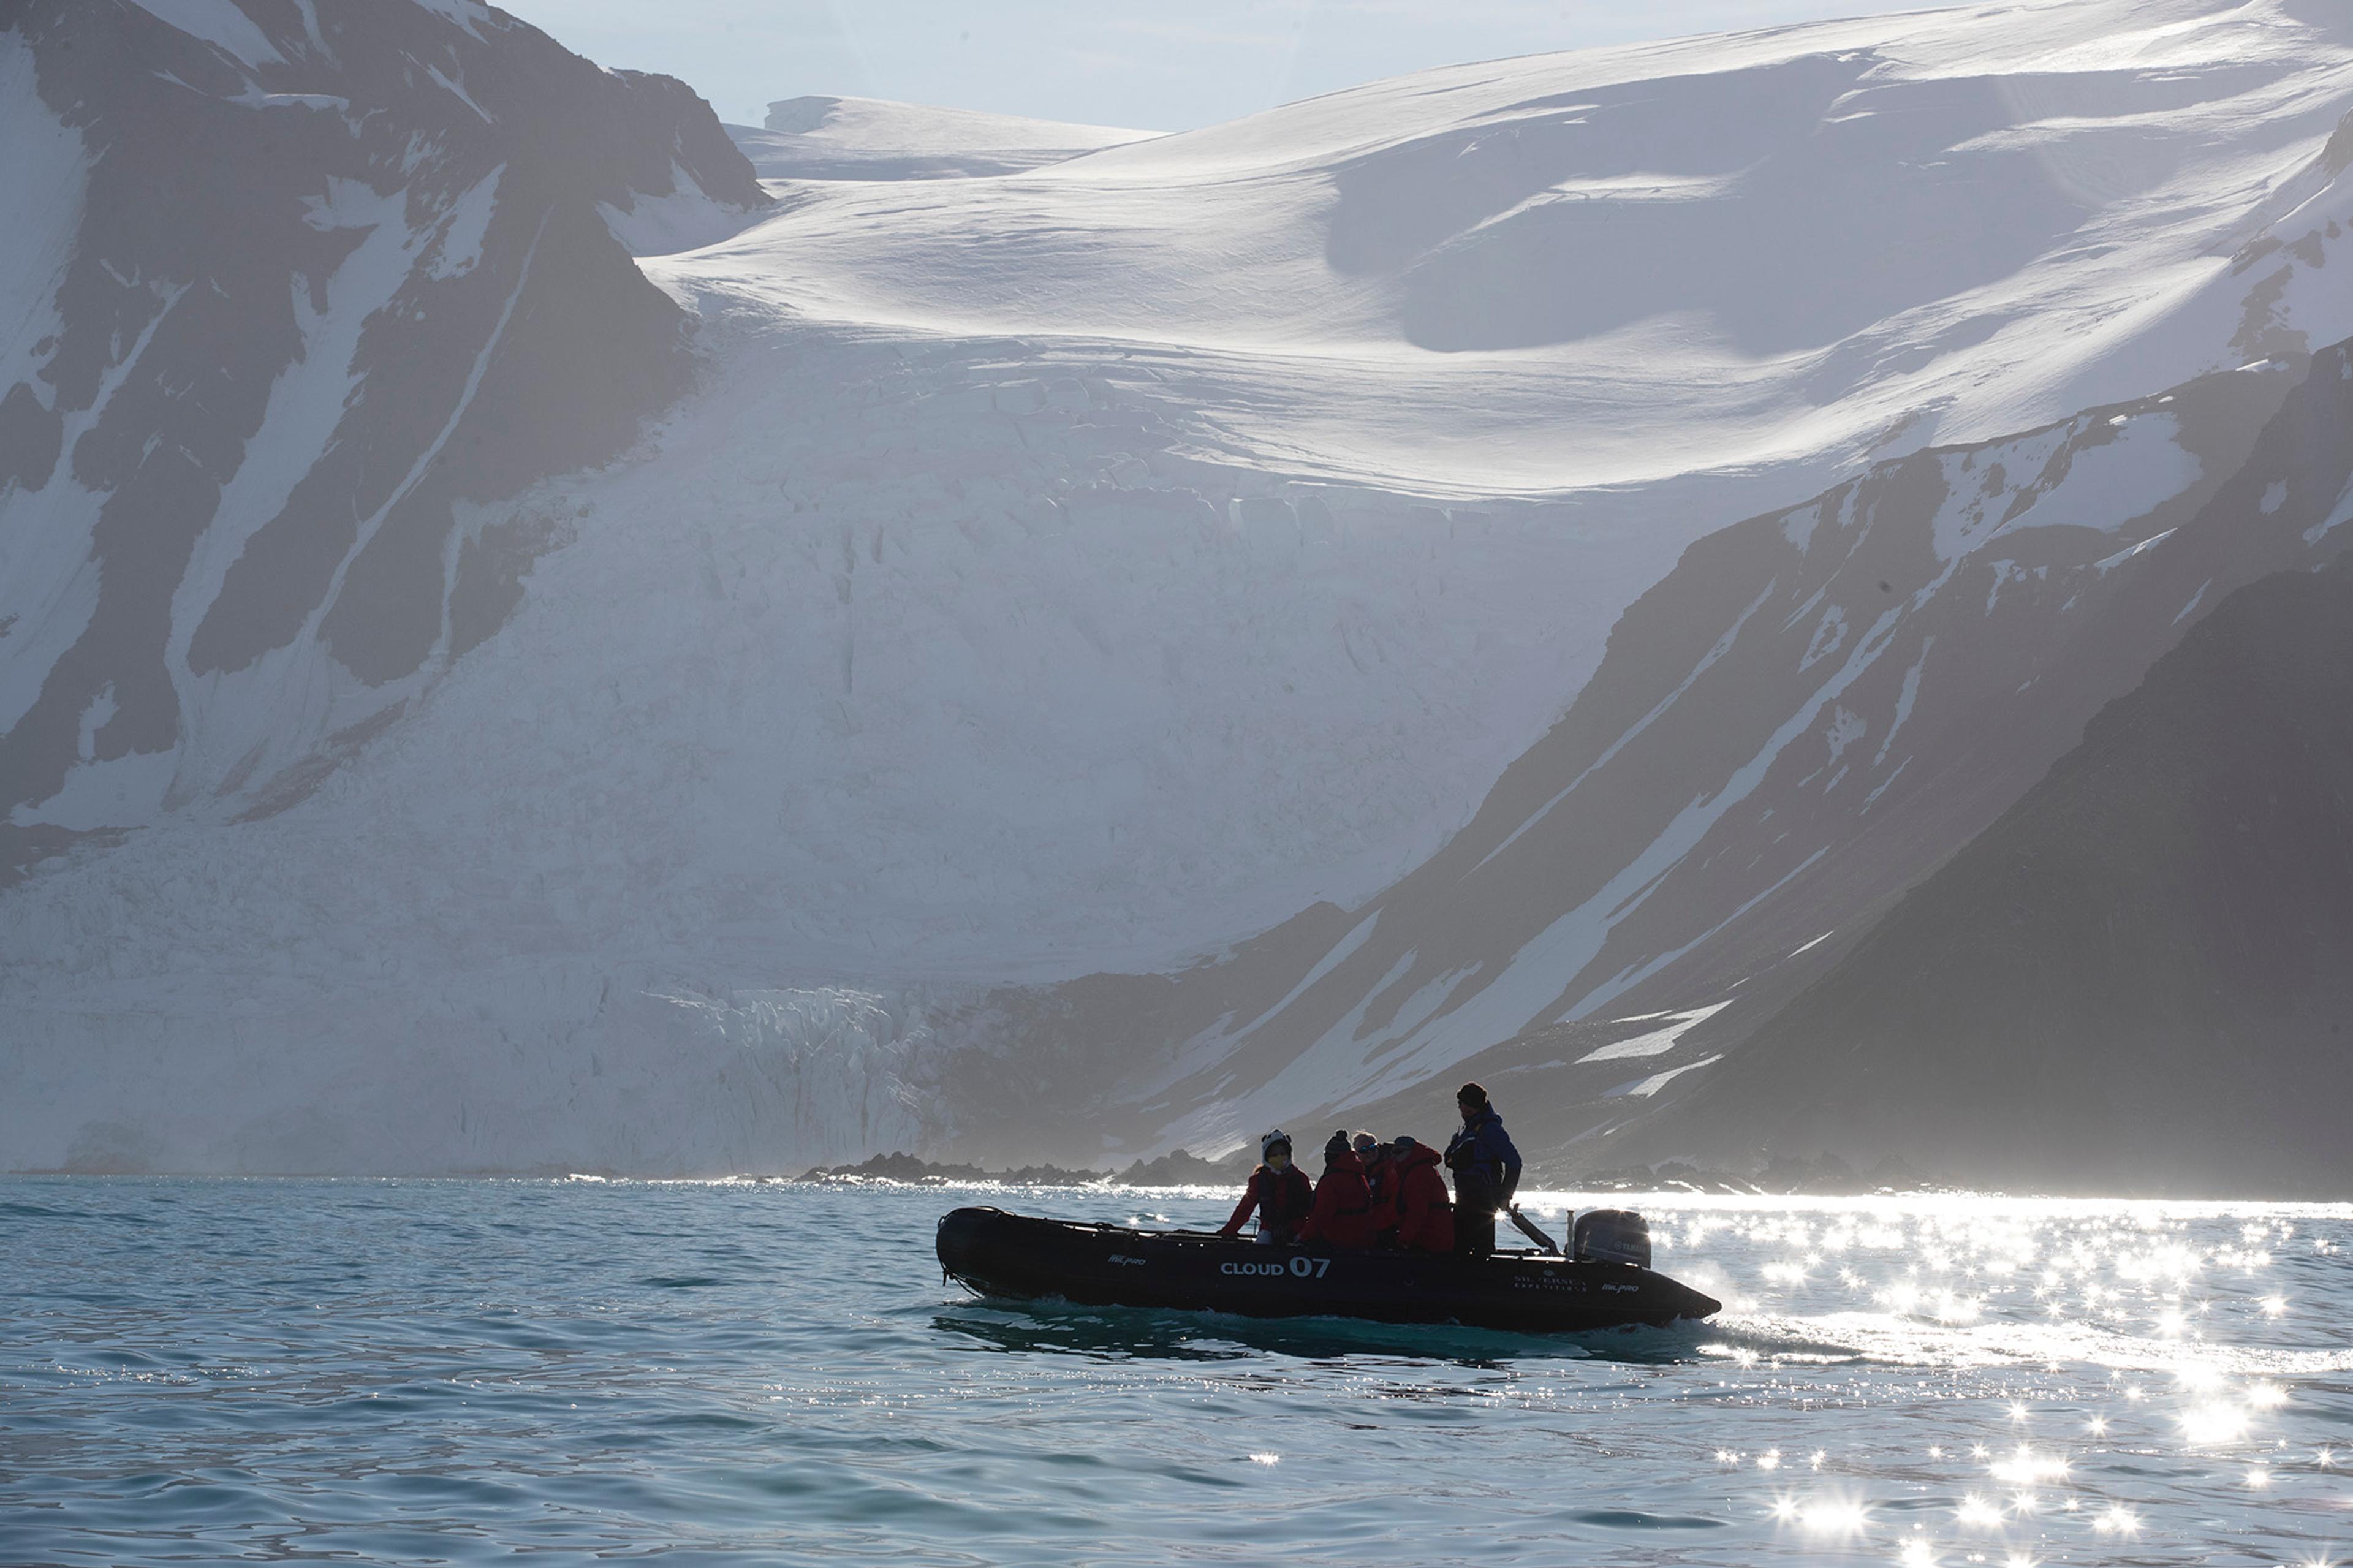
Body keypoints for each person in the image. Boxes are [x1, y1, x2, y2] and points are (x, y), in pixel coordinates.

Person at [1443, 1082, 1521, 1257]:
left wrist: (1505, 1196)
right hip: (1464, 1198)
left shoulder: (1490, 1130)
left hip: (1482, 1200)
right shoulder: (1469, 1128)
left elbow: (1514, 1162)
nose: (1462, 1109)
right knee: (1460, 1246)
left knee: (1480, 1248)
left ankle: (1482, 1279)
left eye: (1465, 1104)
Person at [1219, 1130, 1314, 1243]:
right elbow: (1244, 1210)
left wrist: (1308, 1234)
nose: (1279, 1157)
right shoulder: (1258, 1180)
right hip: (1268, 1231)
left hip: (1298, 1231)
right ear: (1266, 1156)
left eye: (1283, 1153)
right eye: (1274, 1155)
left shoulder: (1301, 1179)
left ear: (1289, 1155)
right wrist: (1228, 1231)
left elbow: (1313, 1210)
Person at [1296, 1130, 1377, 1248]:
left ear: (1330, 1156)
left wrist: (1303, 1237)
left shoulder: (1331, 1181)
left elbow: (1322, 1215)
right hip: (1364, 1240)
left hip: (1338, 1241)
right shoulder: (1359, 1175)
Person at [1383, 1135, 1453, 1254]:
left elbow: (1417, 1212)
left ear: (1411, 1152)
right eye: (1392, 1152)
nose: (1393, 1156)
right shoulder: (1417, 1169)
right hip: (1435, 1236)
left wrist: (1403, 1241)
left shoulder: (1419, 1174)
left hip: (1431, 1241)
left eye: (1398, 1152)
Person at [1353, 1131, 1392, 1242]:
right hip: (1367, 1227)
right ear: (1356, 1153)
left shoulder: (1391, 1168)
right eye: (1364, 1150)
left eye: (1372, 1147)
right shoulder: (1355, 1172)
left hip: (1387, 1227)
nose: (1370, 1152)